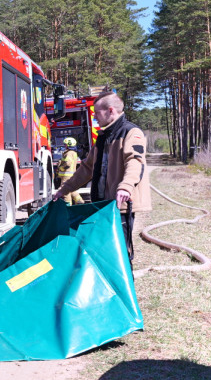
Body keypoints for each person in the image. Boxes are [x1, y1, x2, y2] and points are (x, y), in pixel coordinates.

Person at [52, 91, 150, 260]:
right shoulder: (103, 137)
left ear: (110, 110)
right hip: (102, 204)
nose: (95, 117)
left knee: (120, 253)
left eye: (97, 113)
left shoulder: (131, 133)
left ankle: (124, 284)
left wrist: (125, 187)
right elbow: (86, 168)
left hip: (120, 206)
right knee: (103, 251)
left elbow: (135, 161)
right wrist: (64, 190)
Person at [56, 137, 85, 206]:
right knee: (71, 189)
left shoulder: (68, 153)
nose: (64, 146)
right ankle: (79, 201)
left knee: (65, 190)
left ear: (69, 145)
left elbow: (67, 163)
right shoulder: (73, 153)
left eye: (65, 144)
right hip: (71, 174)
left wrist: (61, 167)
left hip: (66, 175)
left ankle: (68, 205)